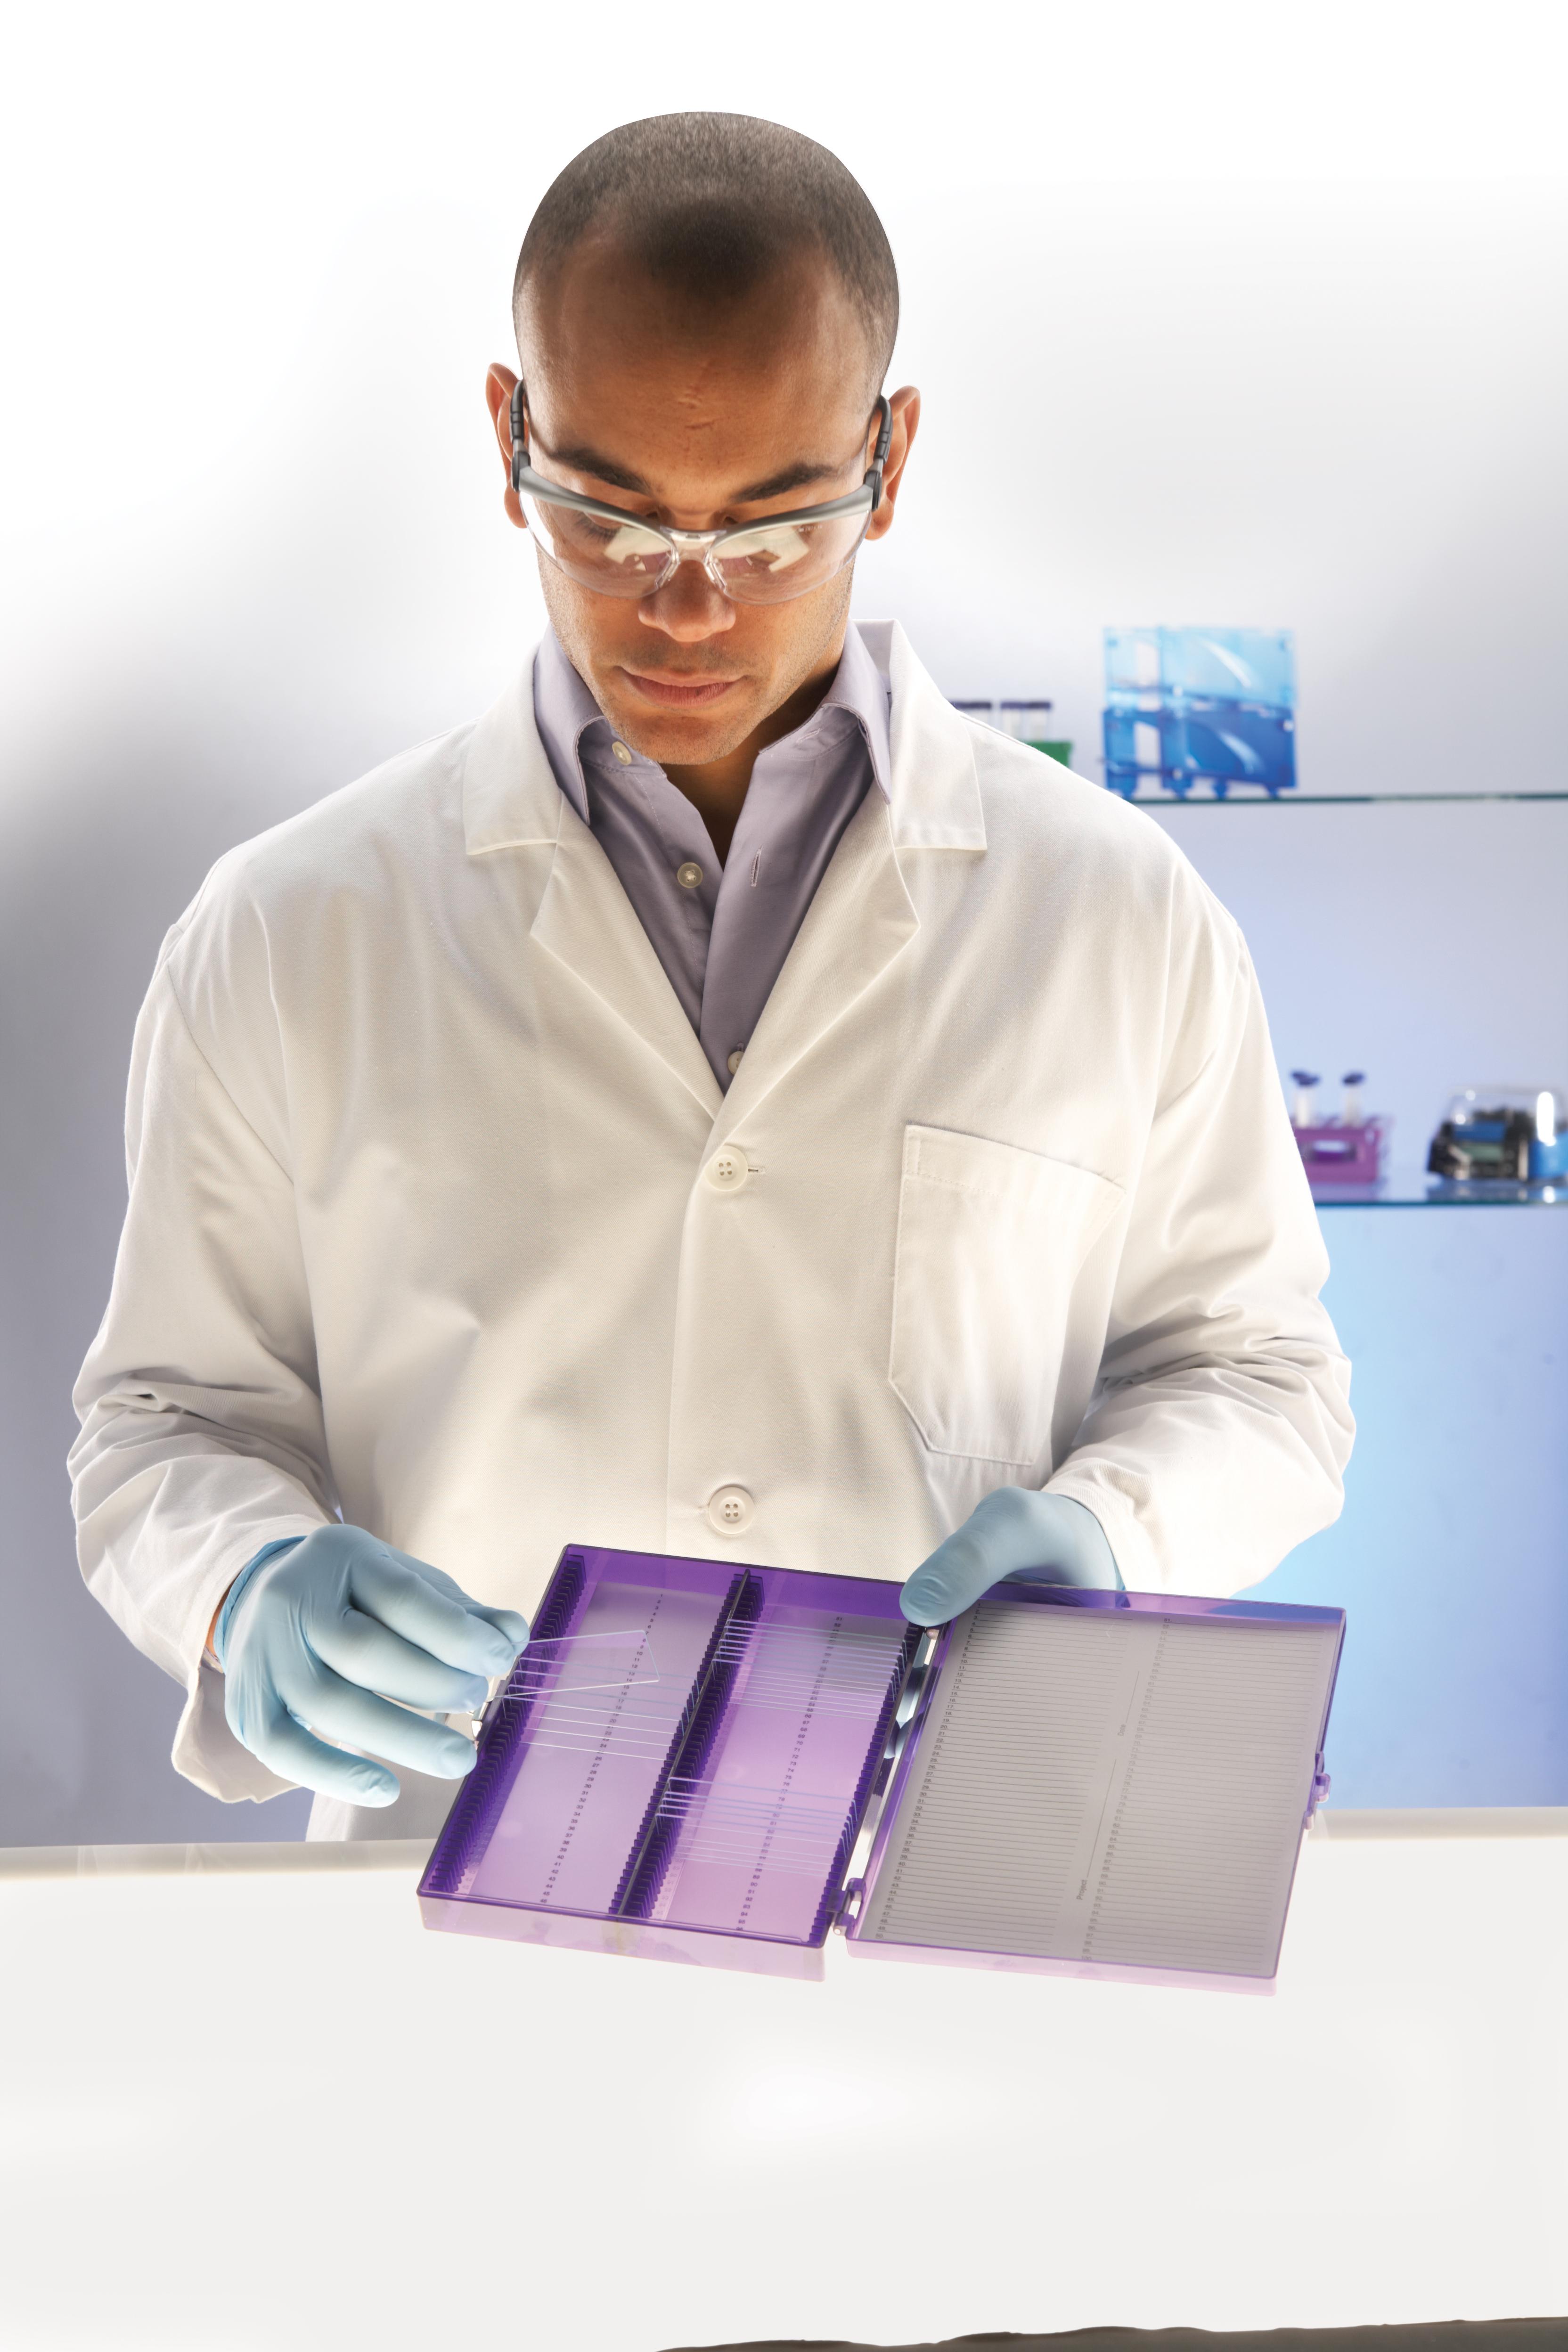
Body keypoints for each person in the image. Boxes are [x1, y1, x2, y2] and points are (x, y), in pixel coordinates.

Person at [70, 113, 1353, 1840]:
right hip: (453, 1877)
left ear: (888, 459)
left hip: (940, 1861)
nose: (684, 608)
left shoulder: (1118, 914)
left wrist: (1116, 1530)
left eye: (769, 531)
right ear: (510, 434)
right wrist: (243, 1579)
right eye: (607, 519)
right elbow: (164, 1418)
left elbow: (1261, 1376)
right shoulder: (290, 930)